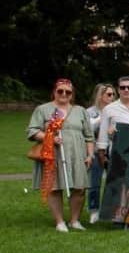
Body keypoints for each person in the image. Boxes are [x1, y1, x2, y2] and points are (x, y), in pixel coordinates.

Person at [27, 79, 94, 231]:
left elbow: (89, 136)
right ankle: (59, 222)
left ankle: (74, 220)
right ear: (54, 92)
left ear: (72, 94)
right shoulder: (43, 109)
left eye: (68, 92)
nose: (64, 94)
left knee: (80, 187)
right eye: (60, 91)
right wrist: (48, 137)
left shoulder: (80, 110)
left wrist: (90, 155)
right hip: (53, 153)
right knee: (55, 187)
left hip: (77, 154)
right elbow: (32, 131)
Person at [84, 82, 115, 222]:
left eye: (113, 94)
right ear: (100, 95)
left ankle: (112, 209)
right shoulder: (90, 112)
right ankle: (94, 210)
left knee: (114, 181)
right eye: (109, 94)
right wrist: (102, 118)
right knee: (94, 183)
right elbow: (88, 129)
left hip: (113, 150)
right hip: (96, 151)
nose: (112, 97)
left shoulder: (116, 111)